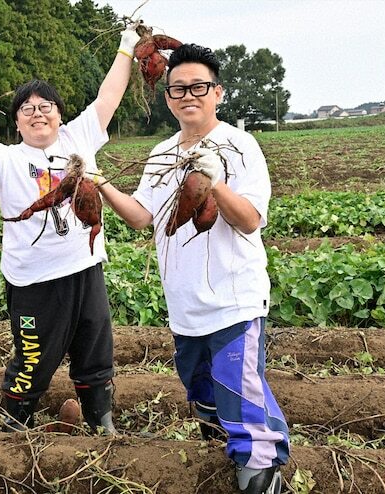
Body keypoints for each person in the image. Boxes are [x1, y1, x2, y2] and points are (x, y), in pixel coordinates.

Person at [0, 26, 142, 435]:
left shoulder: (78, 137)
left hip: (85, 270)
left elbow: (108, 97)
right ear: (16, 123)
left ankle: (102, 423)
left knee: (95, 351)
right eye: (27, 109)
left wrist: (127, 48)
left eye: (46, 106)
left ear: (60, 115)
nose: (38, 113)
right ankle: (15, 426)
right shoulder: (5, 158)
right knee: (32, 360)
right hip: (34, 281)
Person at [98, 44, 289, 493]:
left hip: (233, 302)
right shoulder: (162, 152)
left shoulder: (240, 146)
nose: (189, 95)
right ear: (167, 97)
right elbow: (143, 216)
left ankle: (262, 474)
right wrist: (99, 182)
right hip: (184, 304)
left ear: (217, 93)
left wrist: (214, 182)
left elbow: (250, 220)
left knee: (239, 395)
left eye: (198, 87)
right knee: (203, 394)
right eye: (178, 88)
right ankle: (220, 467)